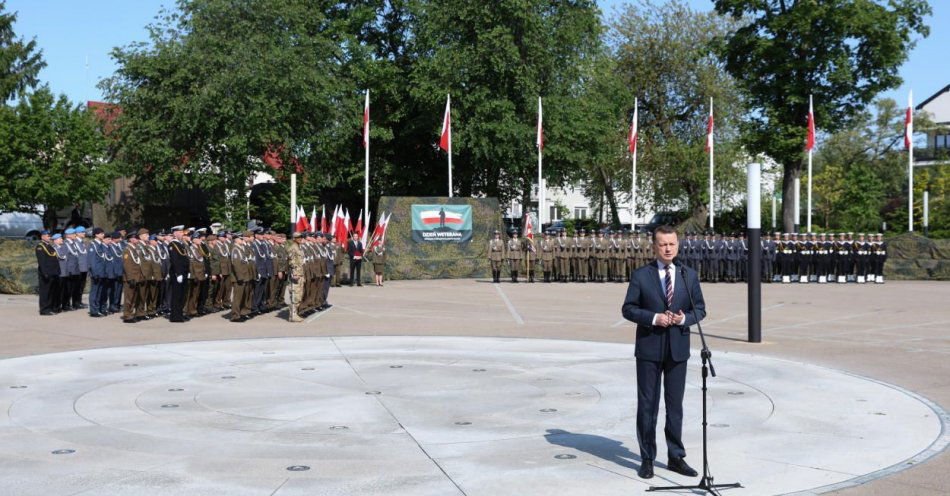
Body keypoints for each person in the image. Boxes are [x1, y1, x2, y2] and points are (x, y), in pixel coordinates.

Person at [621, 224, 702, 480]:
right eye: (663, 244)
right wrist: (655, 318)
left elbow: (699, 310)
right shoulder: (641, 275)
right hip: (649, 348)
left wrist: (682, 319)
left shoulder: (689, 275)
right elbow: (628, 309)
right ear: (654, 246)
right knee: (648, 405)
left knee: (674, 406)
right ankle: (647, 458)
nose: (668, 248)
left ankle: (676, 457)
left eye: (672, 244)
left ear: (678, 245)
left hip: (678, 348)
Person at [167, 226, 190, 322]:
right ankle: (175, 316)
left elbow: (185, 259)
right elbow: (175, 260)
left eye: (182, 232)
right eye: (180, 232)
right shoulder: (173, 244)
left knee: (182, 295)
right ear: (175, 233)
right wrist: (178, 273)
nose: (182, 234)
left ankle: (180, 314)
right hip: (177, 274)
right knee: (177, 295)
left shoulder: (181, 244)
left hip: (184, 272)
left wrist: (188, 271)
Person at [35, 230, 61, 315]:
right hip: (46, 273)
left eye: (50, 236)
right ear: (42, 236)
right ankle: (44, 309)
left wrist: (57, 272)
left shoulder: (49, 246)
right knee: (45, 292)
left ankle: (51, 307)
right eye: (47, 236)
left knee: (51, 291)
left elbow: (54, 260)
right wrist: (45, 273)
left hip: (53, 273)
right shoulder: (40, 247)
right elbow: (42, 262)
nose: (49, 237)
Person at [287, 232, 305, 322]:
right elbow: (292, 262)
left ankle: (294, 314)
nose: (300, 239)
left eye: (301, 237)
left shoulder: (298, 247)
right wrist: (294, 273)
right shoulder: (293, 248)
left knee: (299, 295)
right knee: (295, 295)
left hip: (300, 274)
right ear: (294, 239)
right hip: (296, 275)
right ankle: (293, 315)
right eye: (298, 237)